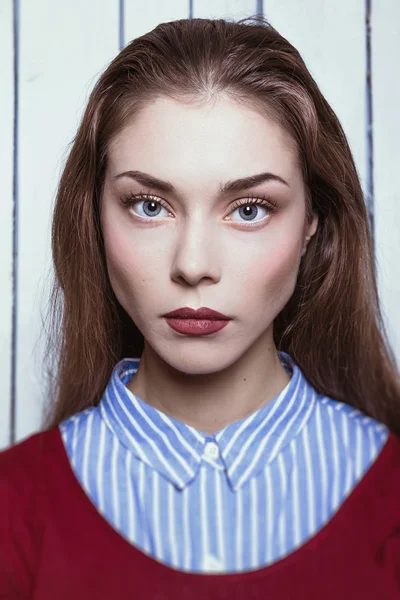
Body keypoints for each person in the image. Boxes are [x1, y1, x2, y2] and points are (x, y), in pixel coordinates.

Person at [1, 15, 400, 599]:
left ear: (313, 221)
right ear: (93, 216)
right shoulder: (12, 509)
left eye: (249, 209)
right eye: (148, 205)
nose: (193, 264)